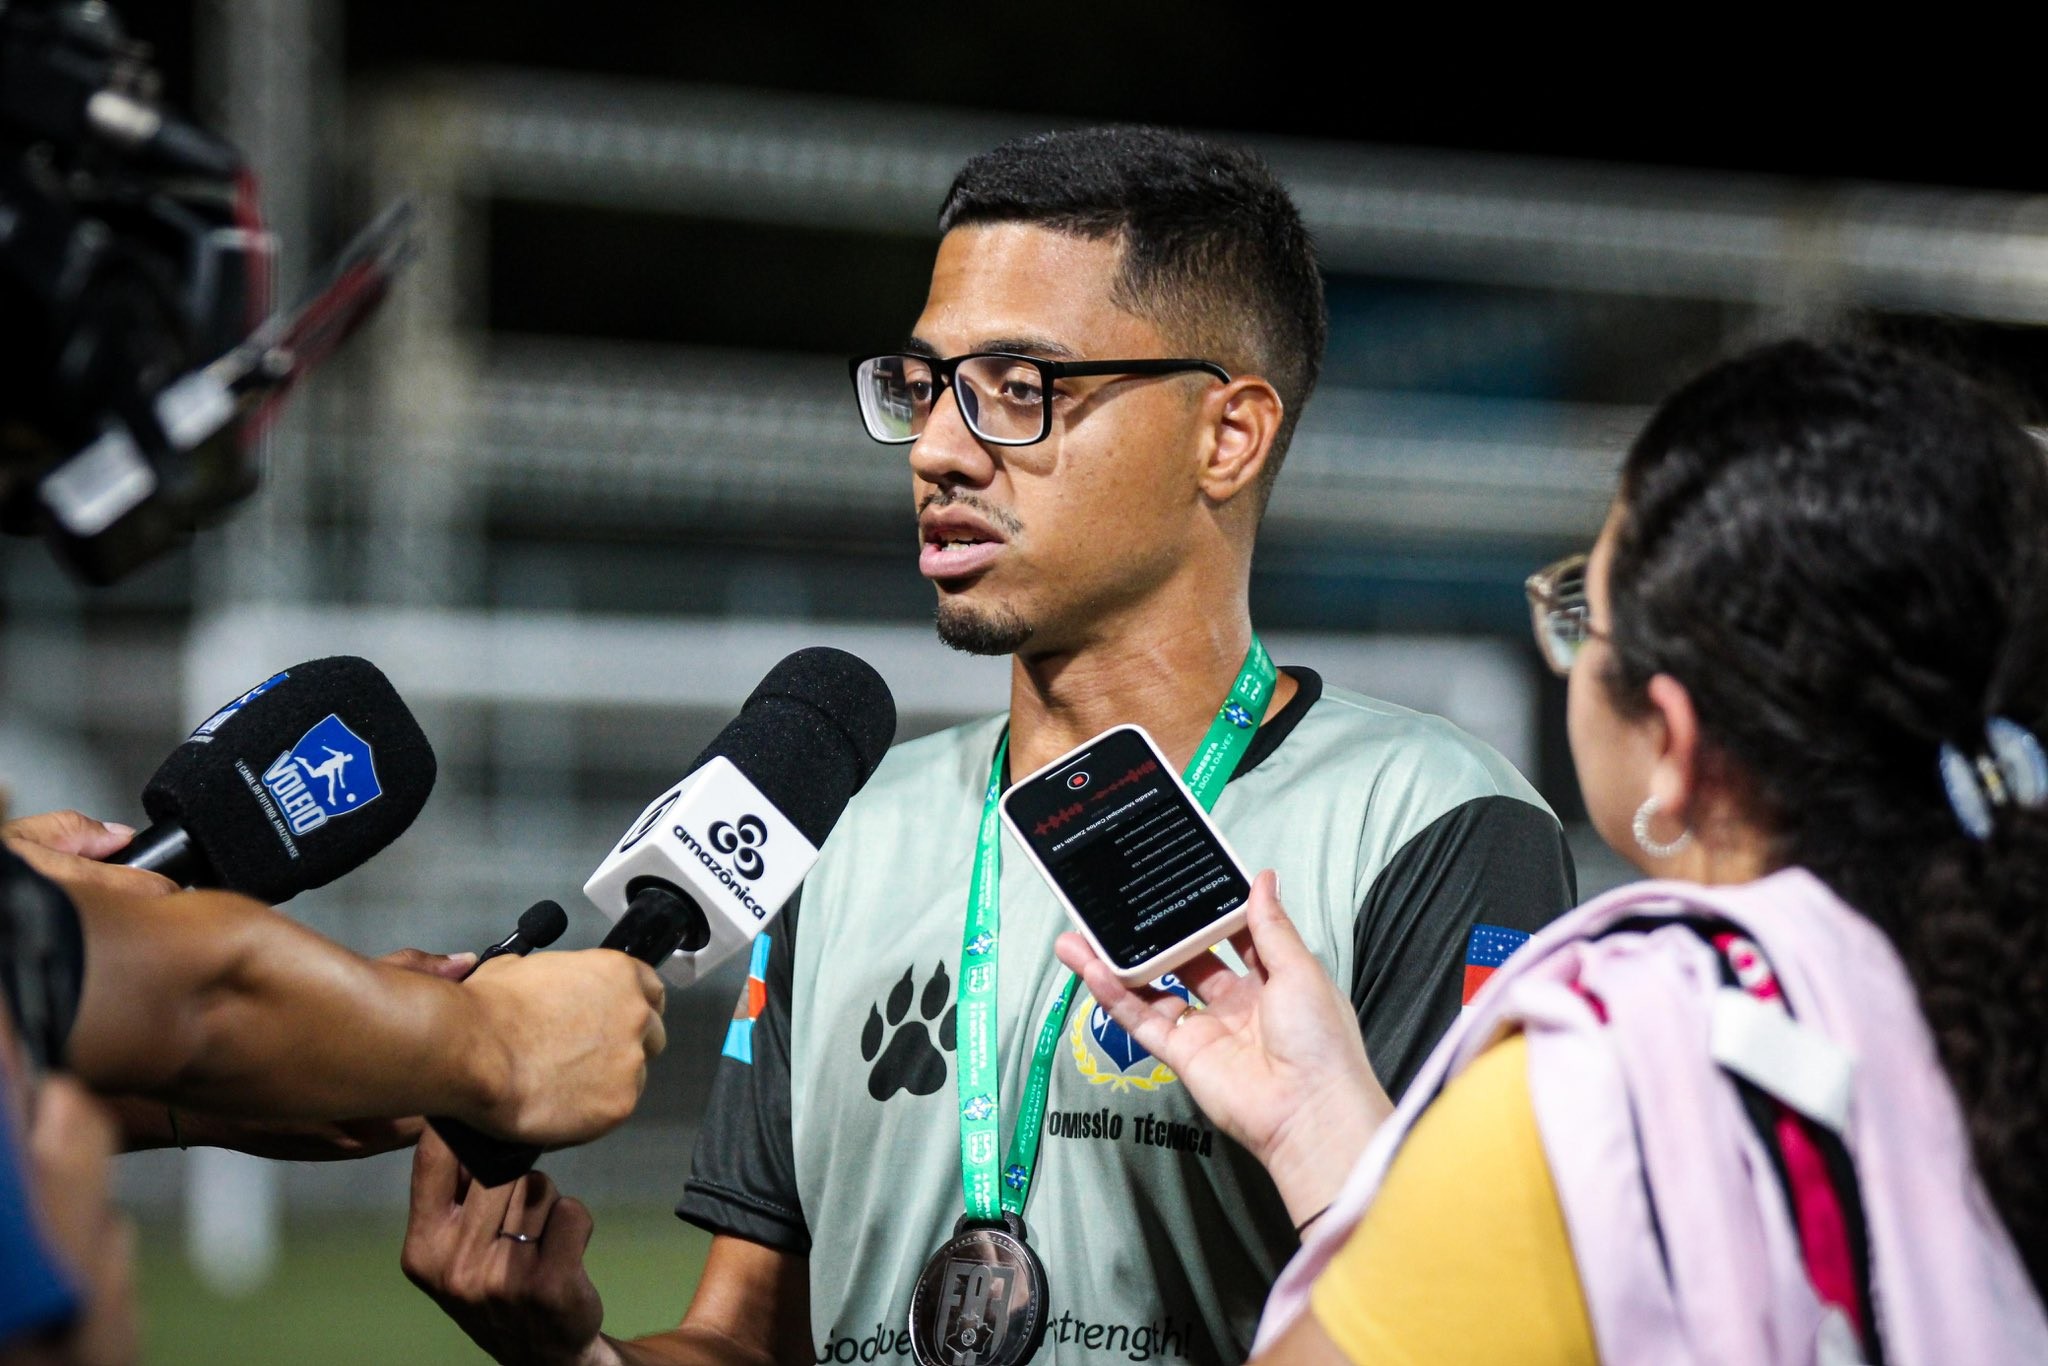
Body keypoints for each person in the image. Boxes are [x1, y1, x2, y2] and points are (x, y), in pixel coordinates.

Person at [399, 126, 1575, 1364]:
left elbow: (1460, 1323)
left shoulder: (1430, 823)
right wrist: (571, 1354)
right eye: (924, 386)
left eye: (1020, 389)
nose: (939, 448)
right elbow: (743, 1339)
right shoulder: (856, 826)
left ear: (1224, 436)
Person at [1061, 339, 2048, 1363]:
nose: (1566, 647)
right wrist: (1318, 1126)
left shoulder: (1610, 1087)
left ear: (1670, 740)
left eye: (1585, 618)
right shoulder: (1983, 994)